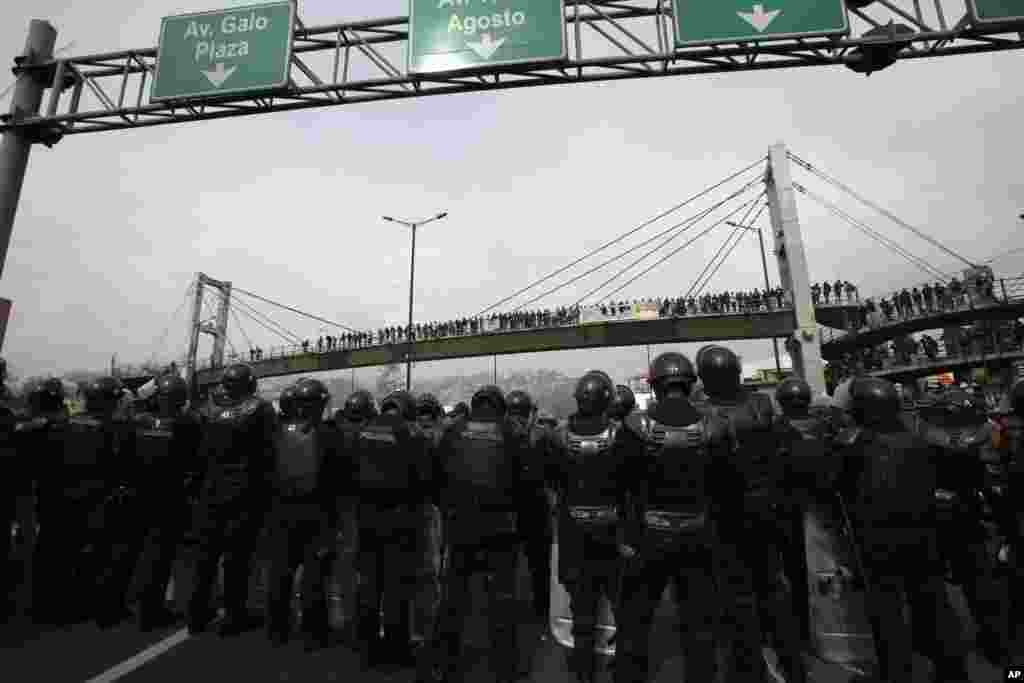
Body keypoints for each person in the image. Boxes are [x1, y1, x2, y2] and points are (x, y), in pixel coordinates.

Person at [833, 378, 969, 682]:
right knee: (934, 603)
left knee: (887, 614)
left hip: (878, 543)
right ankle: (953, 670)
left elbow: (832, 486)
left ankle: (898, 673)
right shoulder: (921, 441)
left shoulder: (850, 447)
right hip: (924, 537)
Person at [614, 352, 738, 683]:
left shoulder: (635, 427)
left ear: (654, 385)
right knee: (699, 626)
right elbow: (728, 489)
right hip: (698, 536)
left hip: (647, 538)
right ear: (690, 383)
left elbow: (619, 486)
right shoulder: (715, 427)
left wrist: (627, 535)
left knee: (635, 624)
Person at [698, 345, 805, 683]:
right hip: (766, 508)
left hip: (724, 514)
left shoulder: (700, 413)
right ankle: (793, 666)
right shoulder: (762, 404)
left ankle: (748, 669)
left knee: (736, 596)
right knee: (773, 589)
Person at [430, 385, 526, 683]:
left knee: (453, 601)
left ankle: (444, 666)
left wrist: (450, 510)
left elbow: (436, 479)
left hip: (460, 530)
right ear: (499, 407)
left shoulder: (454, 431)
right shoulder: (511, 433)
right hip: (501, 532)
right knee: (502, 602)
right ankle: (504, 669)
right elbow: (528, 484)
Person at [188, 363, 278, 636]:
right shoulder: (259, 409)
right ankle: (233, 617)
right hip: (244, 493)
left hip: (209, 491)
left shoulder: (207, 409)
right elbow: (269, 454)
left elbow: (197, 452)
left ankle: (197, 616)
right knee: (236, 559)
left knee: (205, 557)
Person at [548, 372, 626, 683]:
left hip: (573, 535)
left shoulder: (558, 437)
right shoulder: (621, 436)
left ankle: (582, 673)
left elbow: (551, 483)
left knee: (582, 613)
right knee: (622, 608)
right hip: (612, 534)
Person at [352, 390, 429, 670]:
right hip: (401, 521)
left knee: (369, 586)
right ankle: (397, 651)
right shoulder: (413, 433)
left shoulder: (363, 431)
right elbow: (424, 479)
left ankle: (367, 648)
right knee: (397, 589)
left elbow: (352, 474)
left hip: (367, 520)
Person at [265, 378, 339, 651]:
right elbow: (339, 477)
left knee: (280, 573)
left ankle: (276, 629)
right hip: (317, 514)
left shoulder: (277, 431)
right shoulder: (329, 433)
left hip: (281, 512)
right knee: (314, 576)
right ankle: (313, 632)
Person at [129, 373, 203, 631]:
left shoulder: (139, 421)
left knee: (143, 553)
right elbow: (198, 460)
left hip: (140, 497)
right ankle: (152, 610)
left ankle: (142, 606)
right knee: (161, 557)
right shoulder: (188, 423)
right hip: (171, 498)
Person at [506, 389, 555, 657]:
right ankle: (541, 611)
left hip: (511, 510)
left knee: (510, 565)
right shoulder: (542, 435)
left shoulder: (503, 434)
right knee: (539, 567)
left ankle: (507, 609)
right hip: (536, 509)